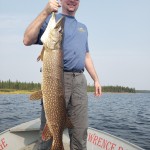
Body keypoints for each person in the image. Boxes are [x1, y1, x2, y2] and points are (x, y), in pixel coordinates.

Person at [23, 0, 102, 149]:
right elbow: (27, 39)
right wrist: (45, 11)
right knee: (49, 133)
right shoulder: (52, 21)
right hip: (57, 78)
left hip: (79, 81)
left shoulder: (83, 28)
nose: (72, 1)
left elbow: (86, 56)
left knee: (80, 131)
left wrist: (96, 80)